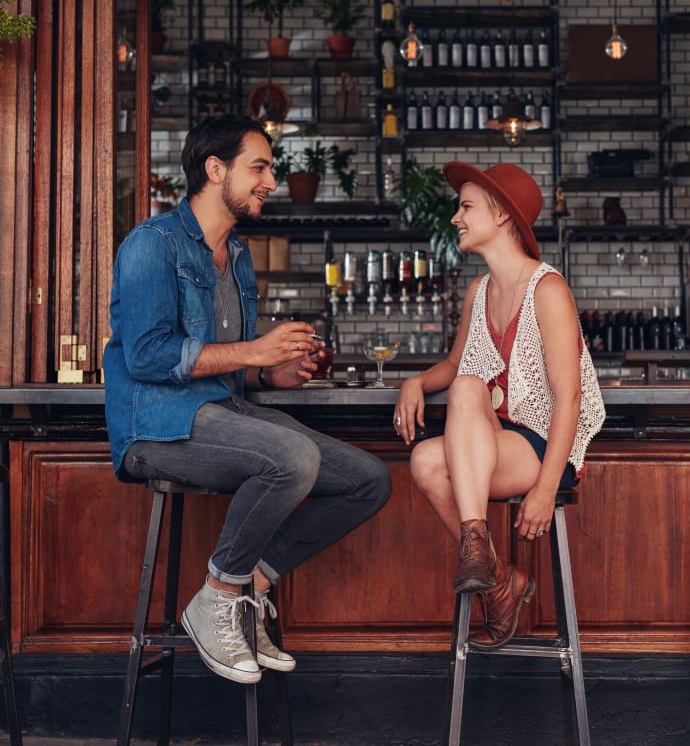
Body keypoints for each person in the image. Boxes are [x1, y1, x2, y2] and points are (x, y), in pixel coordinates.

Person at [103, 115, 392, 684]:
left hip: (222, 413)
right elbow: (146, 357)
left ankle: (248, 588)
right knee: (291, 458)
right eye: (258, 168)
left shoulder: (236, 257)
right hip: (154, 427)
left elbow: (232, 366)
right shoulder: (151, 245)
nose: (271, 181)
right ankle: (215, 597)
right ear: (216, 170)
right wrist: (253, 352)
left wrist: (273, 373)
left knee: (369, 479)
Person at [393, 161, 605, 649]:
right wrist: (416, 383)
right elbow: (453, 363)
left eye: (465, 207)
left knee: (466, 391)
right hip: (498, 438)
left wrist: (547, 489)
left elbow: (569, 398)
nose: (455, 218)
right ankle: (498, 572)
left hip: (546, 444)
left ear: (502, 216)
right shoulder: (479, 291)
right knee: (425, 457)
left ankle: (484, 564)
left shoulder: (548, 290)